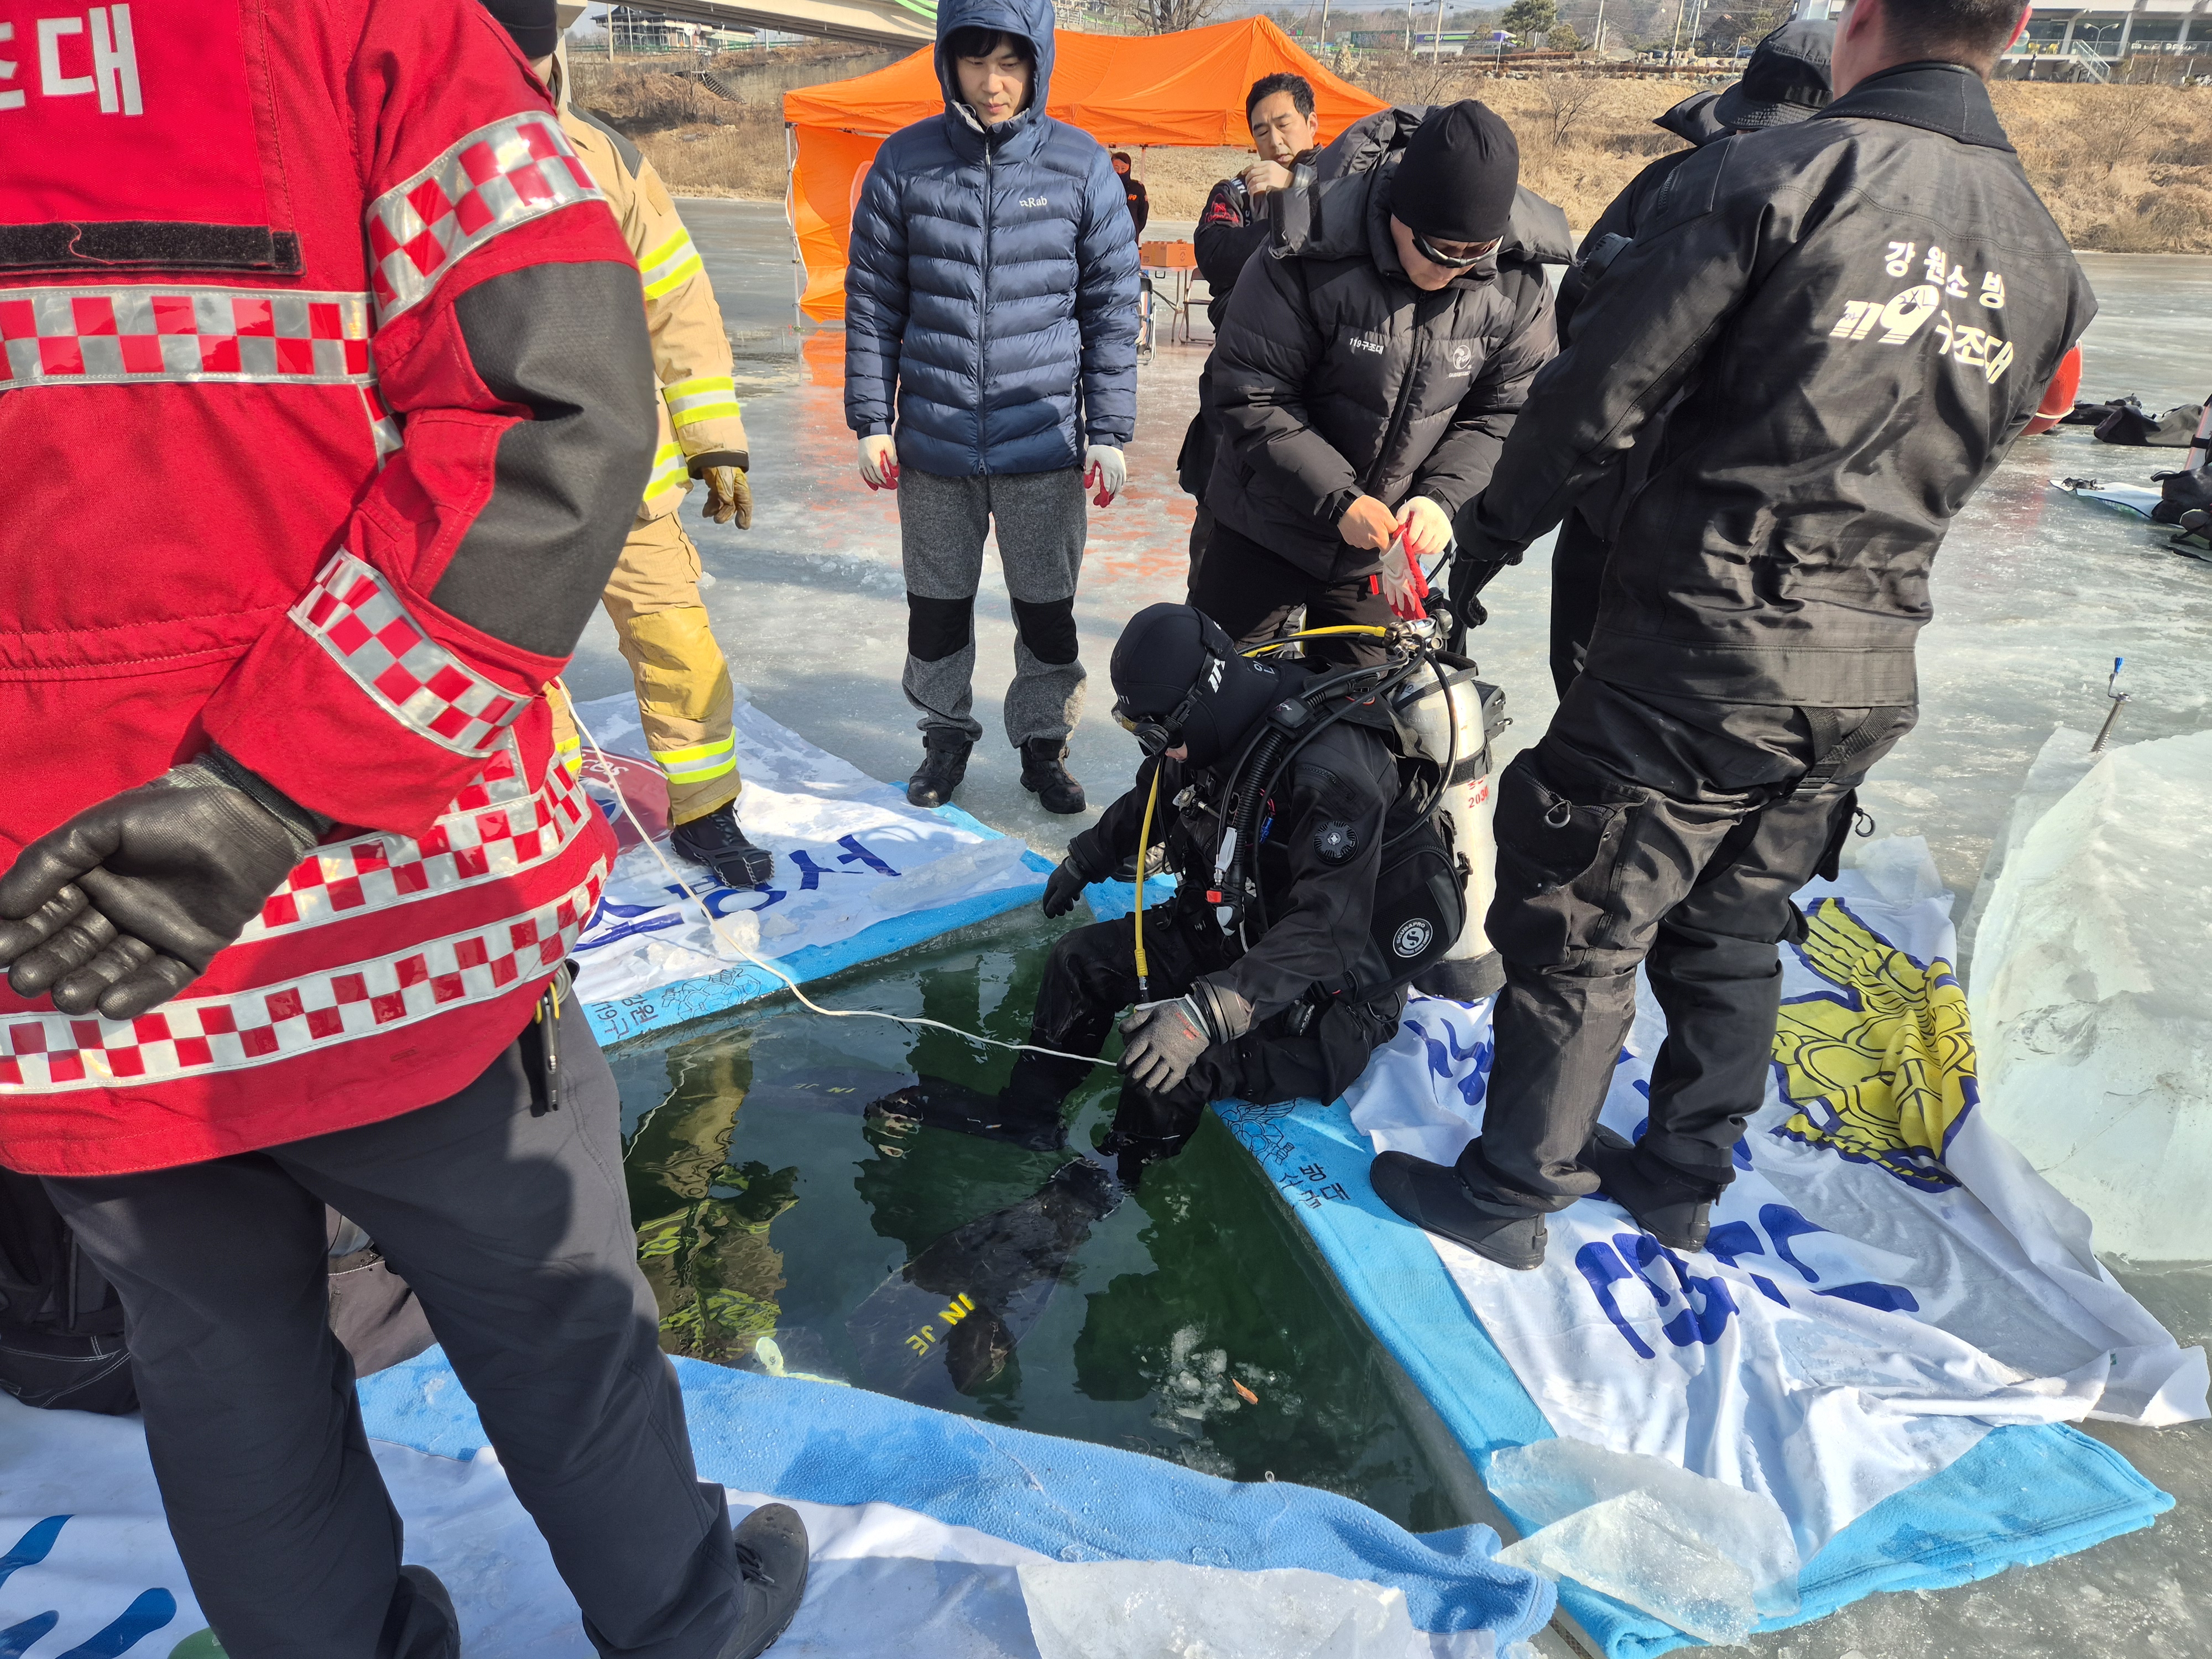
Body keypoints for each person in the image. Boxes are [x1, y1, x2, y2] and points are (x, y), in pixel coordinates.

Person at [0, 1, 808, 1653]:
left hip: (60, 939)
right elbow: (559, 415)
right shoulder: (370, 26)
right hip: (392, 904)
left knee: (217, 1365)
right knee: (554, 1310)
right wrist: (269, 788)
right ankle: (683, 1619)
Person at [1375, 0, 2094, 1270]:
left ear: (1861, 17)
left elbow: (1594, 394)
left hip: (1704, 638)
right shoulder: (2046, 258)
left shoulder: (1769, 178)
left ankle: (1510, 1192)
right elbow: (1978, 447)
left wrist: (1476, 551)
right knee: (1733, 916)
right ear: (2022, 26)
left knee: (1579, 905)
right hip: (1868, 660)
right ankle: (1678, 1179)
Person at [871, 603, 1458, 1181]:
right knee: (1080, 962)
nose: (1153, 745)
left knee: (1171, 1067)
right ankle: (1027, 1117)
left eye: (1155, 732)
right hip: (1236, 930)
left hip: (1323, 995)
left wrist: (1204, 1015)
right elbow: (1158, 790)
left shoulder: (1332, 775)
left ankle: (1114, 1179)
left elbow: (1329, 932)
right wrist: (1088, 857)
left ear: (1200, 702)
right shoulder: (1212, 725)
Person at [845, 0, 1141, 815]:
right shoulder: (905, 162)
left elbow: (1112, 308)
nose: (992, 82)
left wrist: (1109, 429)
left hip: (1041, 441)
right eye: (975, 61)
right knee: (936, 612)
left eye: (1010, 63)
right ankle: (944, 736)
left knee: (1047, 614)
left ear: (1037, 63)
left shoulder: (1080, 166)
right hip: (934, 443)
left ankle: (1044, 746)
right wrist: (872, 418)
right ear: (949, 62)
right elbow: (873, 303)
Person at [515, 23, 773, 888]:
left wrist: (714, 441)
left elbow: (677, 301)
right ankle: (541, 828)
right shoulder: (423, 153)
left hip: (628, 472)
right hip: (507, 481)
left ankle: (707, 809)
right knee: (518, 666)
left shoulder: (608, 158)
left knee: (679, 647)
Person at [1196, 101, 1568, 670]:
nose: (1451, 268)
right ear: (1396, 209)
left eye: (1474, 254)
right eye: (1436, 248)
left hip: (1379, 555)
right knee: (1220, 693)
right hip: (1263, 523)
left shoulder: (1516, 284)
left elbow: (1506, 413)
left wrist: (1442, 498)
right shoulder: (1306, 249)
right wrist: (1338, 500)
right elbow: (1253, 393)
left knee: (1366, 707)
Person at [1543, 19, 1835, 698]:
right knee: (1611, 683)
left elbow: (1576, 322)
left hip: (1668, 502)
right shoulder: (1848, 211)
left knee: (1605, 682)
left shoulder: (1669, 184)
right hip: (1694, 514)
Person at [1176, 72, 1326, 582]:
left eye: (1284, 124)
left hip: (1323, 389)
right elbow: (1217, 255)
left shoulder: (1348, 182)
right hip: (1239, 381)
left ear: (1312, 123)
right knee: (1218, 529)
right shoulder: (1235, 192)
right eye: (1261, 130)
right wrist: (1291, 215)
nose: (1274, 140)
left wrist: (1298, 193)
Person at [1112, 150, 1151, 237]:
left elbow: (1143, 215)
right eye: (1116, 168)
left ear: (1129, 168)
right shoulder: (1104, 187)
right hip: (1109, 237)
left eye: (1123, 168)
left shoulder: (1137, 189)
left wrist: (1134, 230)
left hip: (1130, 237)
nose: (1120, 172)